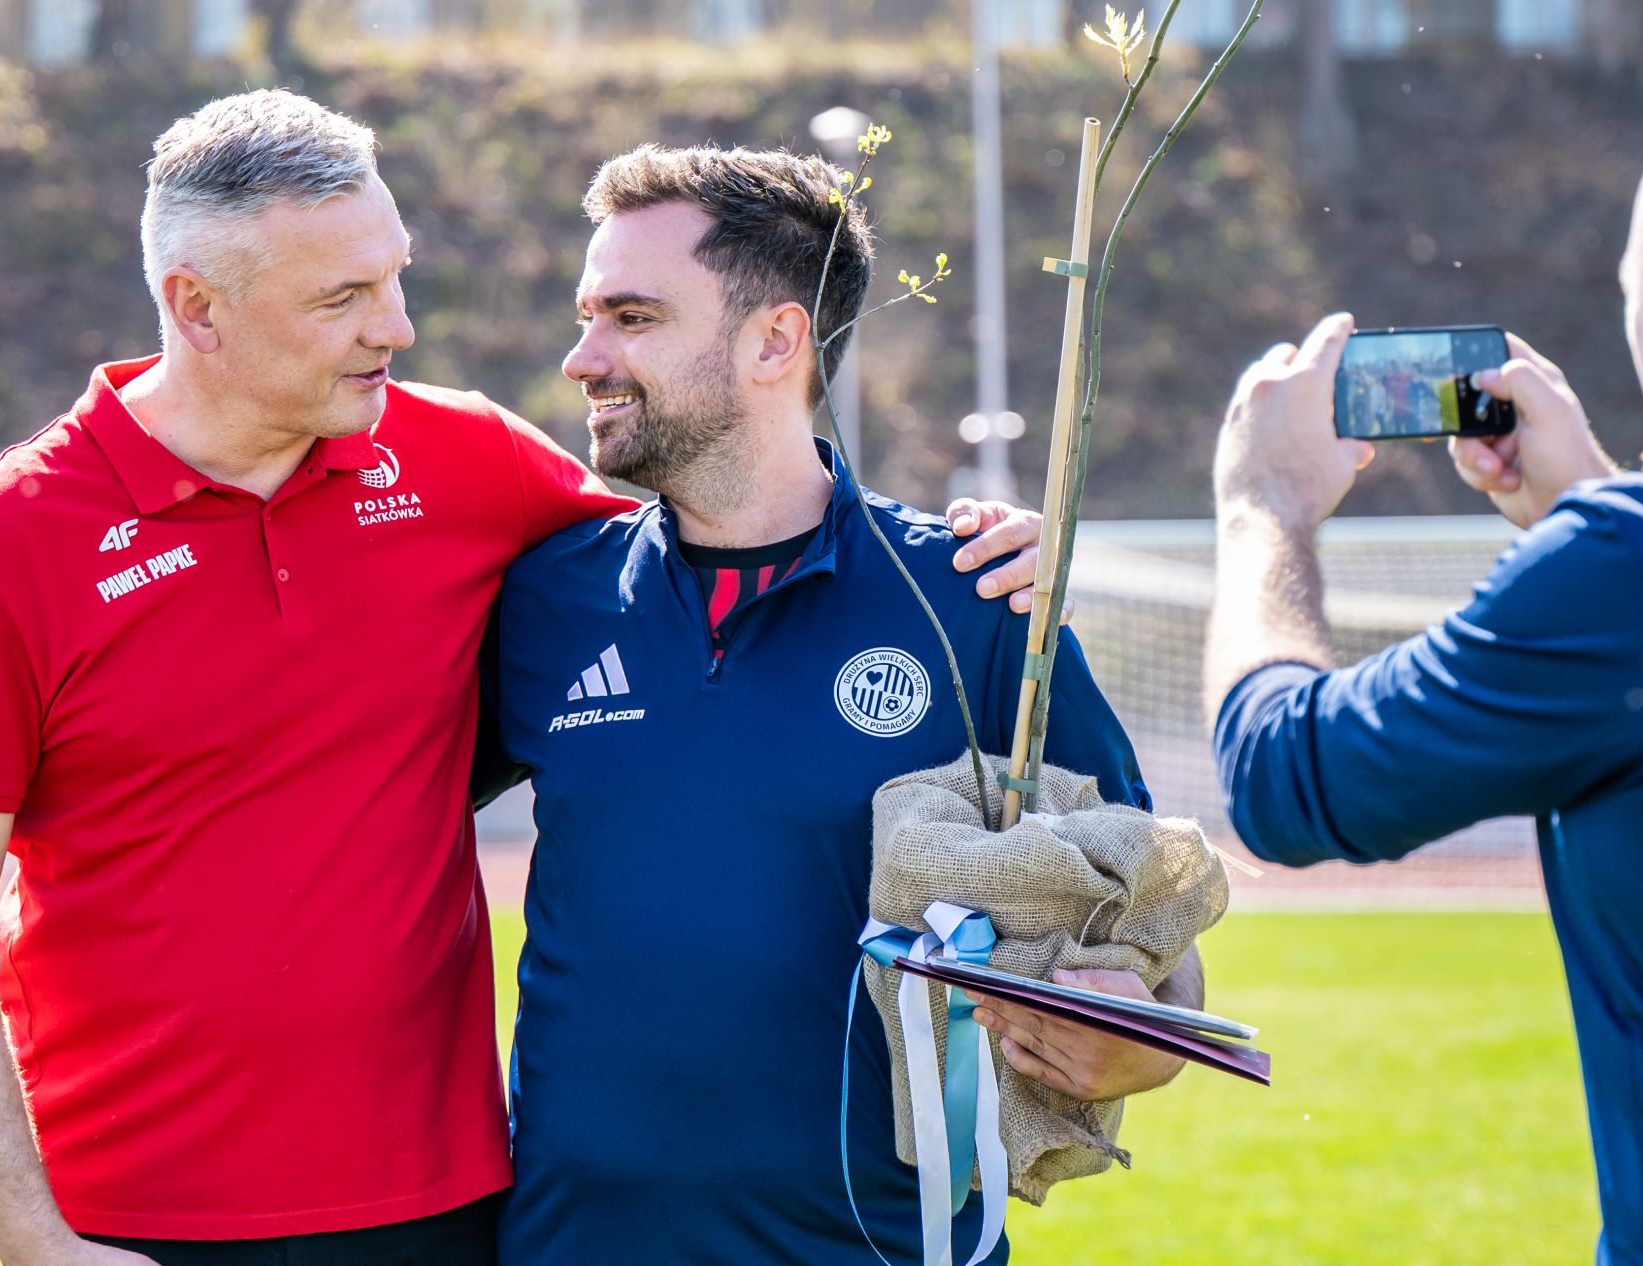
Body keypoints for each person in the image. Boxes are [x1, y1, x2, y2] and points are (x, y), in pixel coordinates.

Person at [0, 92, 1046, 1266]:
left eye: (394, 276)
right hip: (120, 1224)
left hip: (441, 1211)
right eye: (343, 299)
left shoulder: (464, 462)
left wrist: (961, 553)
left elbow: (734, 521)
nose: (397, 327)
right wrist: (32, 1238)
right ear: (196, 308)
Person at [483, 144, 1204, 1266]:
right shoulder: (543, 599)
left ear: (775, 340)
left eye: (631, 316)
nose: (582, 357)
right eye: (587, 314)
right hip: (565, 1247)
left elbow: (1149, 932)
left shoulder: (975, 603)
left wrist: (1132, 1039)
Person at [1205, 87, 1643, 1266]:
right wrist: (1595, 505)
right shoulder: (1640, 561)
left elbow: (1285, 778)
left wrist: (1262, 509)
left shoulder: (1640, 566)